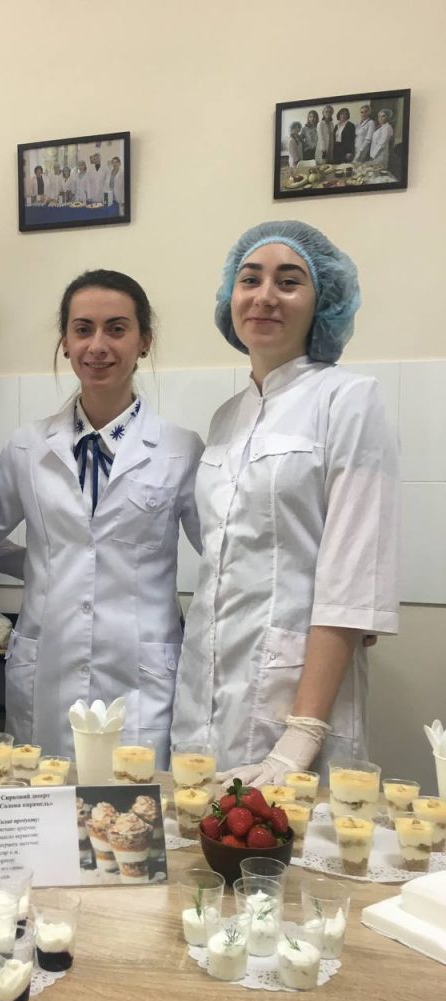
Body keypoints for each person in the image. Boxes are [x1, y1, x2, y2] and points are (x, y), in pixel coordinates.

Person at [171, 221, 400, 783]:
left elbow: (353, 580)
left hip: (297, 700)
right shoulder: (227, 417)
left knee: (287, 838)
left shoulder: (349, 398)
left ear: (322, 302)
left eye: (289, 281)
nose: (265, 296)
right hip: (205, 694)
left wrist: (303, 734)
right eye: (250, 279)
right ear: (230, 297)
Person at [0, 270, 203, 767]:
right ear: (65, 343)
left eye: (117, 328)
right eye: (83, 329)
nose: (98, 346)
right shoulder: (27, 447)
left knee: (134, 804)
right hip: (48, 671)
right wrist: (47, 564)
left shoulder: (180, 449)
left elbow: (225, 555)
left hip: (141, 677)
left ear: (144, 341)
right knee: (47, 796)